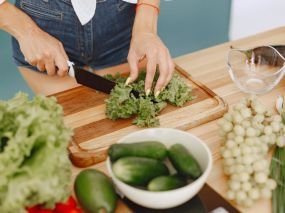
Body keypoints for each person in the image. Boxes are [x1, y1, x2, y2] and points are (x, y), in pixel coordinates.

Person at [0, 0, 174, 96]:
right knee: (72, 126)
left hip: (121, 18)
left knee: (128, 124)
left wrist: (146, 28)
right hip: (42, 23)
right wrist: (27, 32)